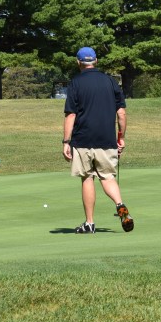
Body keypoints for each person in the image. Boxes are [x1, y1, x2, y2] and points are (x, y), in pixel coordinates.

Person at [62, 47, 134, 233]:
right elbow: (122, 113)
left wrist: (65, 141)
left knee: (87, 178)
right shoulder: (110, 82)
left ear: (78, 62)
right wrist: (121, 137)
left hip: (83, 139)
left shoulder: (75, 83)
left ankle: (90, 223)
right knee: (108, 177)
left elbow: (71, 115)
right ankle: (120, 205)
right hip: (106, 139)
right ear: (96, 61)